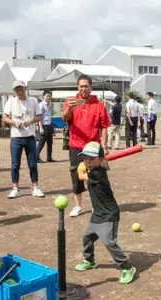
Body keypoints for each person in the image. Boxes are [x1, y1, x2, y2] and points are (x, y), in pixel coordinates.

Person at [73, 141, 136, 284]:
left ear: (100, 160)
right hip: (98, 214)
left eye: (91, 159)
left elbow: (82, 177)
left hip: (109, 214)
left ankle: (127, 267)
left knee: (108, 242)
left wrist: (80, 169)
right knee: (87, 238)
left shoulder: (98, 173)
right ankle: (89, 260)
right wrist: (83, 167)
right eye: (85, 158)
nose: (87, 161)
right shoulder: (93, 169)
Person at [61, 74, 110, 217]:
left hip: (93, 148)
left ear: (91, 87)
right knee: (76, 175)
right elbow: (65, 118)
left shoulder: (99, 105)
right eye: (81, 86)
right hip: (75, 145)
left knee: (96, 176)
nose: (84, 89)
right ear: (78, 87)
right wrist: (69, 109)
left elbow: (105, 126)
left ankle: (96, 205)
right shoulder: (71, 102)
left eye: (86, 86)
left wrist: (104, 145)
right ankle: (77, 206)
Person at [2, 80, 45, 199]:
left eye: (21, 88)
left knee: (32, 163)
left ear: (25, 88)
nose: (19, 91)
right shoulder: (10, 102)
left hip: (30, 137)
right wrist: (14, 122)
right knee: (15, 164)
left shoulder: (33, 101)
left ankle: (35, 187)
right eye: (17, 89)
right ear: (14, 91)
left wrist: (31, 121)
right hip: (16, 137)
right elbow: (4, 118)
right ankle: (15, 188)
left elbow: (40, 116)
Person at [37, 90, 55, 162]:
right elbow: (39, 117)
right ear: (43, 96)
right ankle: (36, 157)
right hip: (44, 125)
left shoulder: (50, 104)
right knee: (41, 142)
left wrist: (52, 127)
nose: (49, 97)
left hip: (49, 125)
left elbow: (49, 116)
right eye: (47, 96)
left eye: (50, 96)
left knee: (50, 142)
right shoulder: (41, 105)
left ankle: (49, 157)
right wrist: (41, 127)